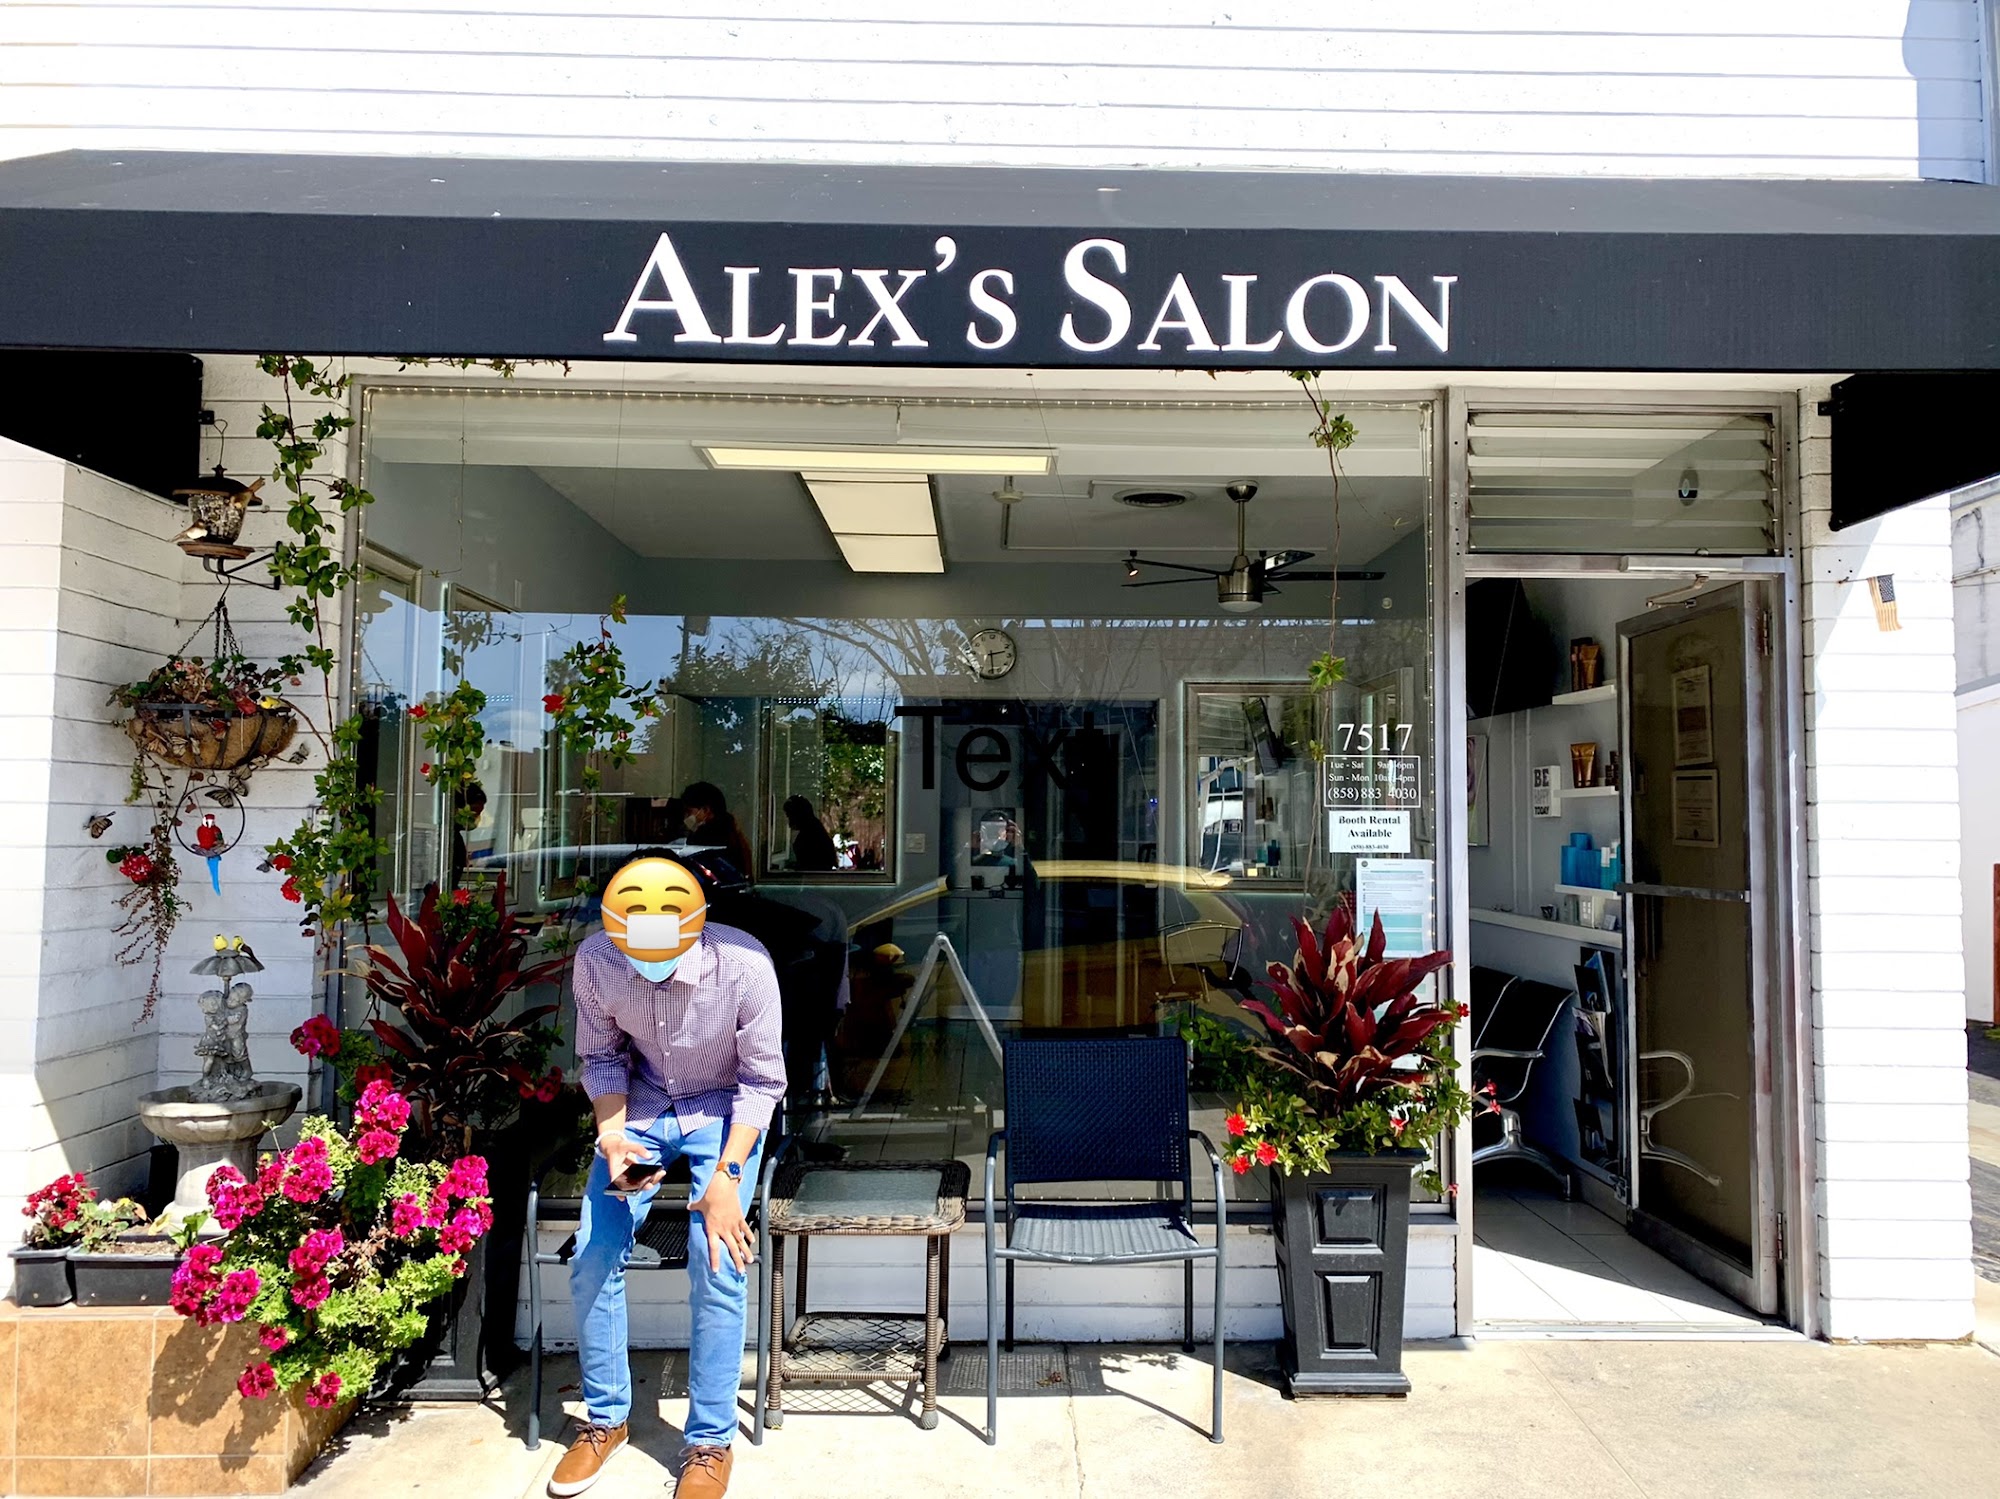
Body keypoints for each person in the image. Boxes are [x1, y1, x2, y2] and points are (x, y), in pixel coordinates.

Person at [550, 854, 786, 1499]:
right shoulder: (597, 959)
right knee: (595, 1253)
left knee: (719, 1257)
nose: (648, 965)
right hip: (644, 1115)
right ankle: (606, 1420)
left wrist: (726, 1179)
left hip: (722, 1115)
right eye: (635, 950)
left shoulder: (744, 965)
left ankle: (709, 1442)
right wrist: (612, 1137)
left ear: (694, 925)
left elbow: (763, 1081)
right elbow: (602, 1058)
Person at [680, 781, 755, 880]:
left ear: (705, 810)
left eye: (689, 811)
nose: (686, 817)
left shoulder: (706, 836)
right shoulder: (731, 829)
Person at [781, 794, 838, 872]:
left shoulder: (811, 834)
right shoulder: (814, 829)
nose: (789, 820)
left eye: (790, 816)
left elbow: (812, 864)